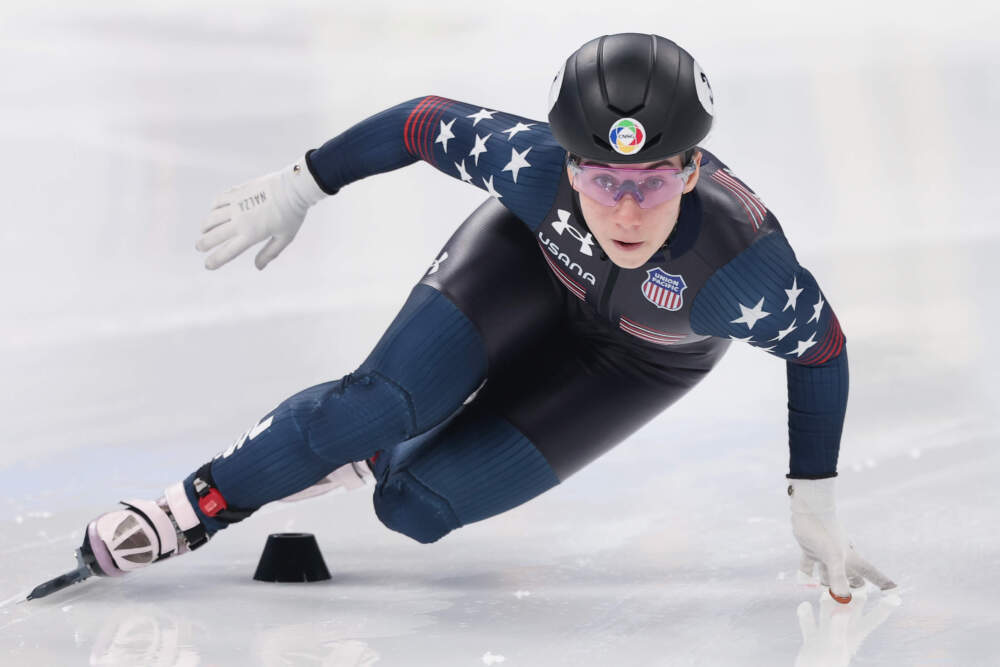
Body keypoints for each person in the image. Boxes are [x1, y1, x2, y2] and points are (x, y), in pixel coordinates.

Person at [78, 33, 894, 603]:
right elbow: (421, 121)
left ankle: (373, 455)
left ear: (690, 171)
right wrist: (302, 182)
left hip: (645, 359)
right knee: (387, 401)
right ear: (568, 161)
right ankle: (195, 505)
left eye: (651, 179)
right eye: (603, 179)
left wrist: (811, 500)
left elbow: (822, 351)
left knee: (413, 507)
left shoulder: (740, 268)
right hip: (525, 265)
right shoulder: (533, 169)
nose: (627, 206)